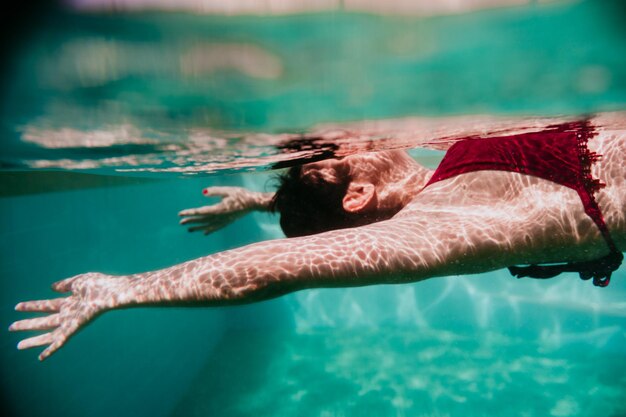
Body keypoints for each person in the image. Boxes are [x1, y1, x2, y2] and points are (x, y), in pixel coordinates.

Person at [9, 115, 626, 361]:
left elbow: (329, 211)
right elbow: (284, 264)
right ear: (356, 195)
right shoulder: (440, 224)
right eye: (351, 150)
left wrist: (261, 198)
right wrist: (122, 288)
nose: (363, 134)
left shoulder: (440, 170)